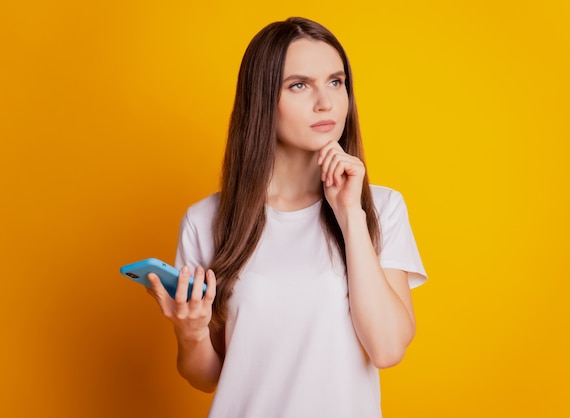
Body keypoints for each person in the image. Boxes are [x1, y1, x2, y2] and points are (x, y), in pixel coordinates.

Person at [146, 16, 427, 418]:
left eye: (336, 81)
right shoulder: (206, 219)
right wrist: (190, 331)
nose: (326, 102)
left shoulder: (380, 208)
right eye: (299, 85)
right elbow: (208, 377)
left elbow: (387, 349)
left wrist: (350, 214)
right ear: (261, 100)